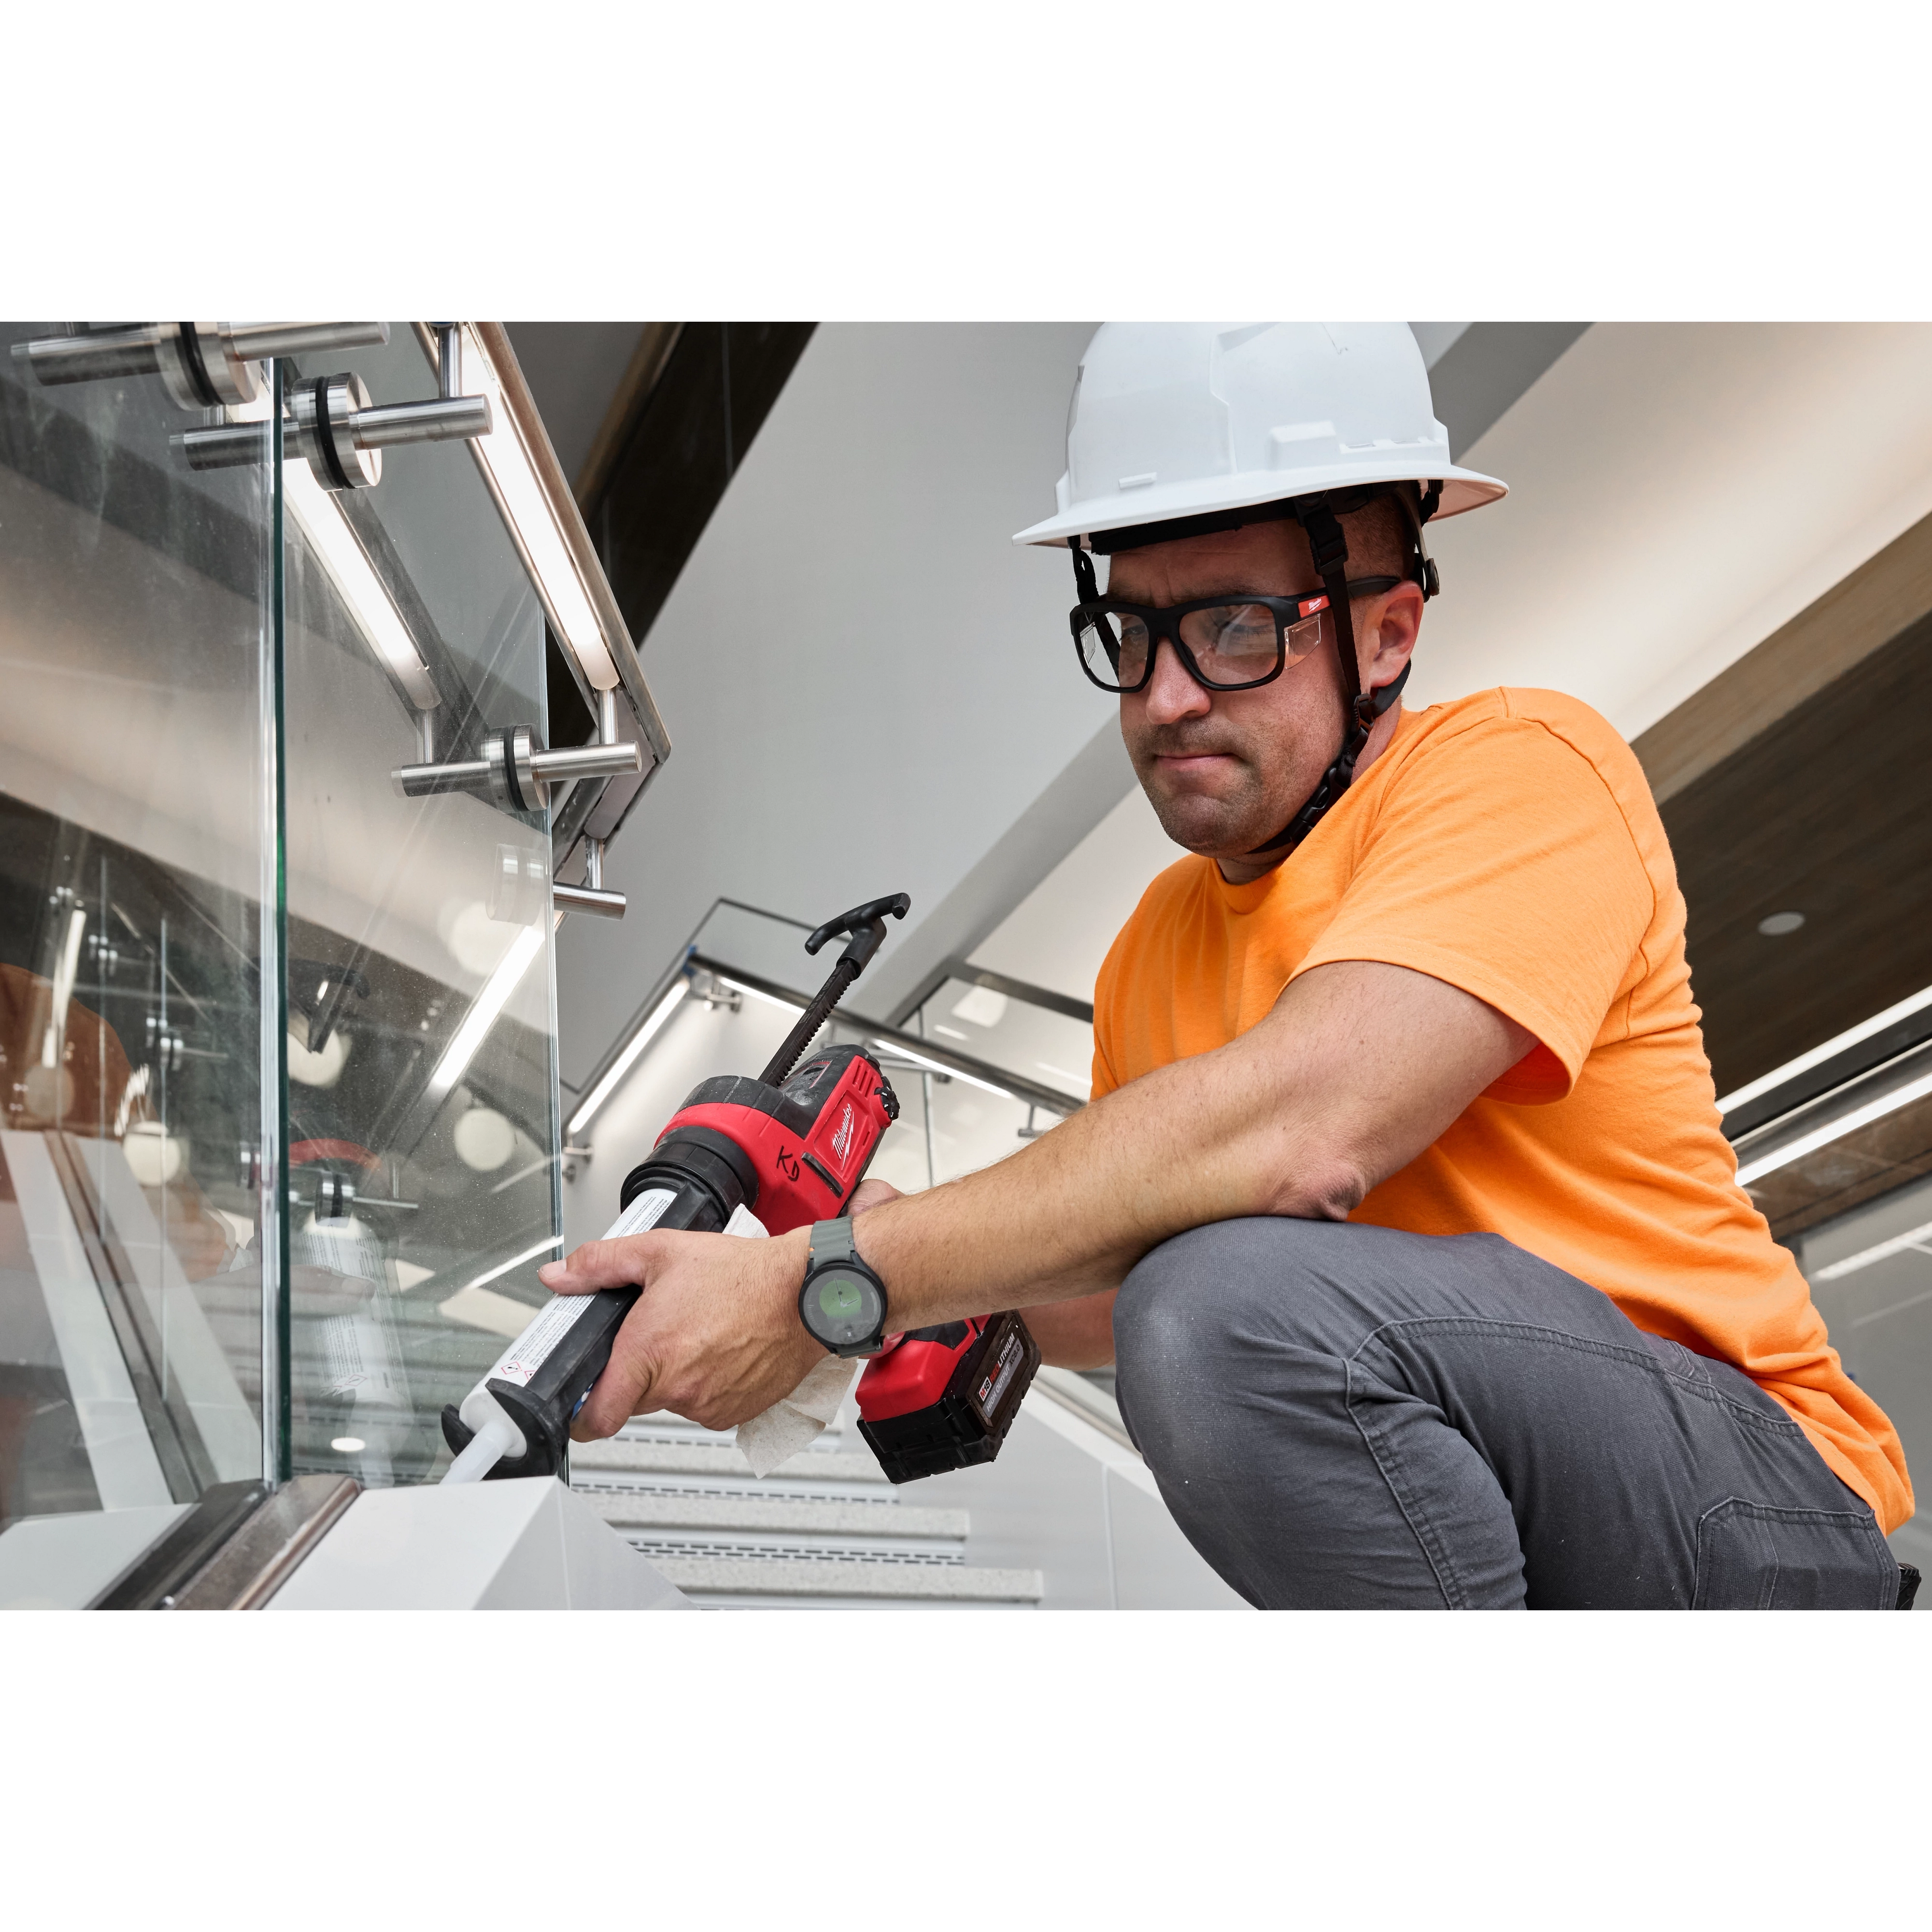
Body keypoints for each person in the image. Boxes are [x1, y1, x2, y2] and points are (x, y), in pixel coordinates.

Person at [543, 321, 1914, 1611]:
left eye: (1238, 629)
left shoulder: (1521, 769)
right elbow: (1110, 1288)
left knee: (1226, 1306)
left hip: (1750, 1502)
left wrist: (832, 1279)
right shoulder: (1153, 949)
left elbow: (1303, 1132)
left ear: (1387, 631)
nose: (1169, 693)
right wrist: (848, 1276)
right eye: (1135, 630)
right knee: (1192, 1311)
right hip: (1502, 1501)